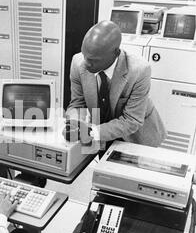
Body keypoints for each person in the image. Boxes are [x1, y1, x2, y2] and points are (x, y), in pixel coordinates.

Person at [64, 20, 166, 148]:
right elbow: (77, 104)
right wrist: (73, 123)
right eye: (85, 56)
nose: (86, 64)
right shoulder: (78, 62)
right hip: (101, 133)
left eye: (94, 60)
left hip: (136, 137)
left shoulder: (139, 70)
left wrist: (90, 132)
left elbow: (132, 120)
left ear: (116, 53)